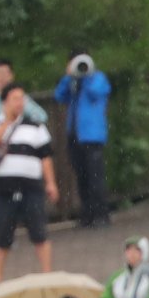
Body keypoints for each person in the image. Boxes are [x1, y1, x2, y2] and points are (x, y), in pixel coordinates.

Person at [0, 84, 57, 286]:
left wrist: (50, 183)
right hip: (4, 188)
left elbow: (46, 156)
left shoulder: (36, 126)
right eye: (15, 99)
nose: (20, 103)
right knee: (3, 234)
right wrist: (7, 122)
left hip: (32, 186)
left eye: (22, 99)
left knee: (39, 231)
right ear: (5, 102)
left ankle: (46, 275)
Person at [55, 52, 111, 227]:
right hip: (74, 134)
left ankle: (101, 214)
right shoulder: (71, 81)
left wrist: (85, 78)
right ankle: (87, 213)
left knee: (96, 177)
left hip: (92, 135)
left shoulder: (98, 78)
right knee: (82, 176)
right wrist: (68, 78)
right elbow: (59, 96)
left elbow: (97, 92)